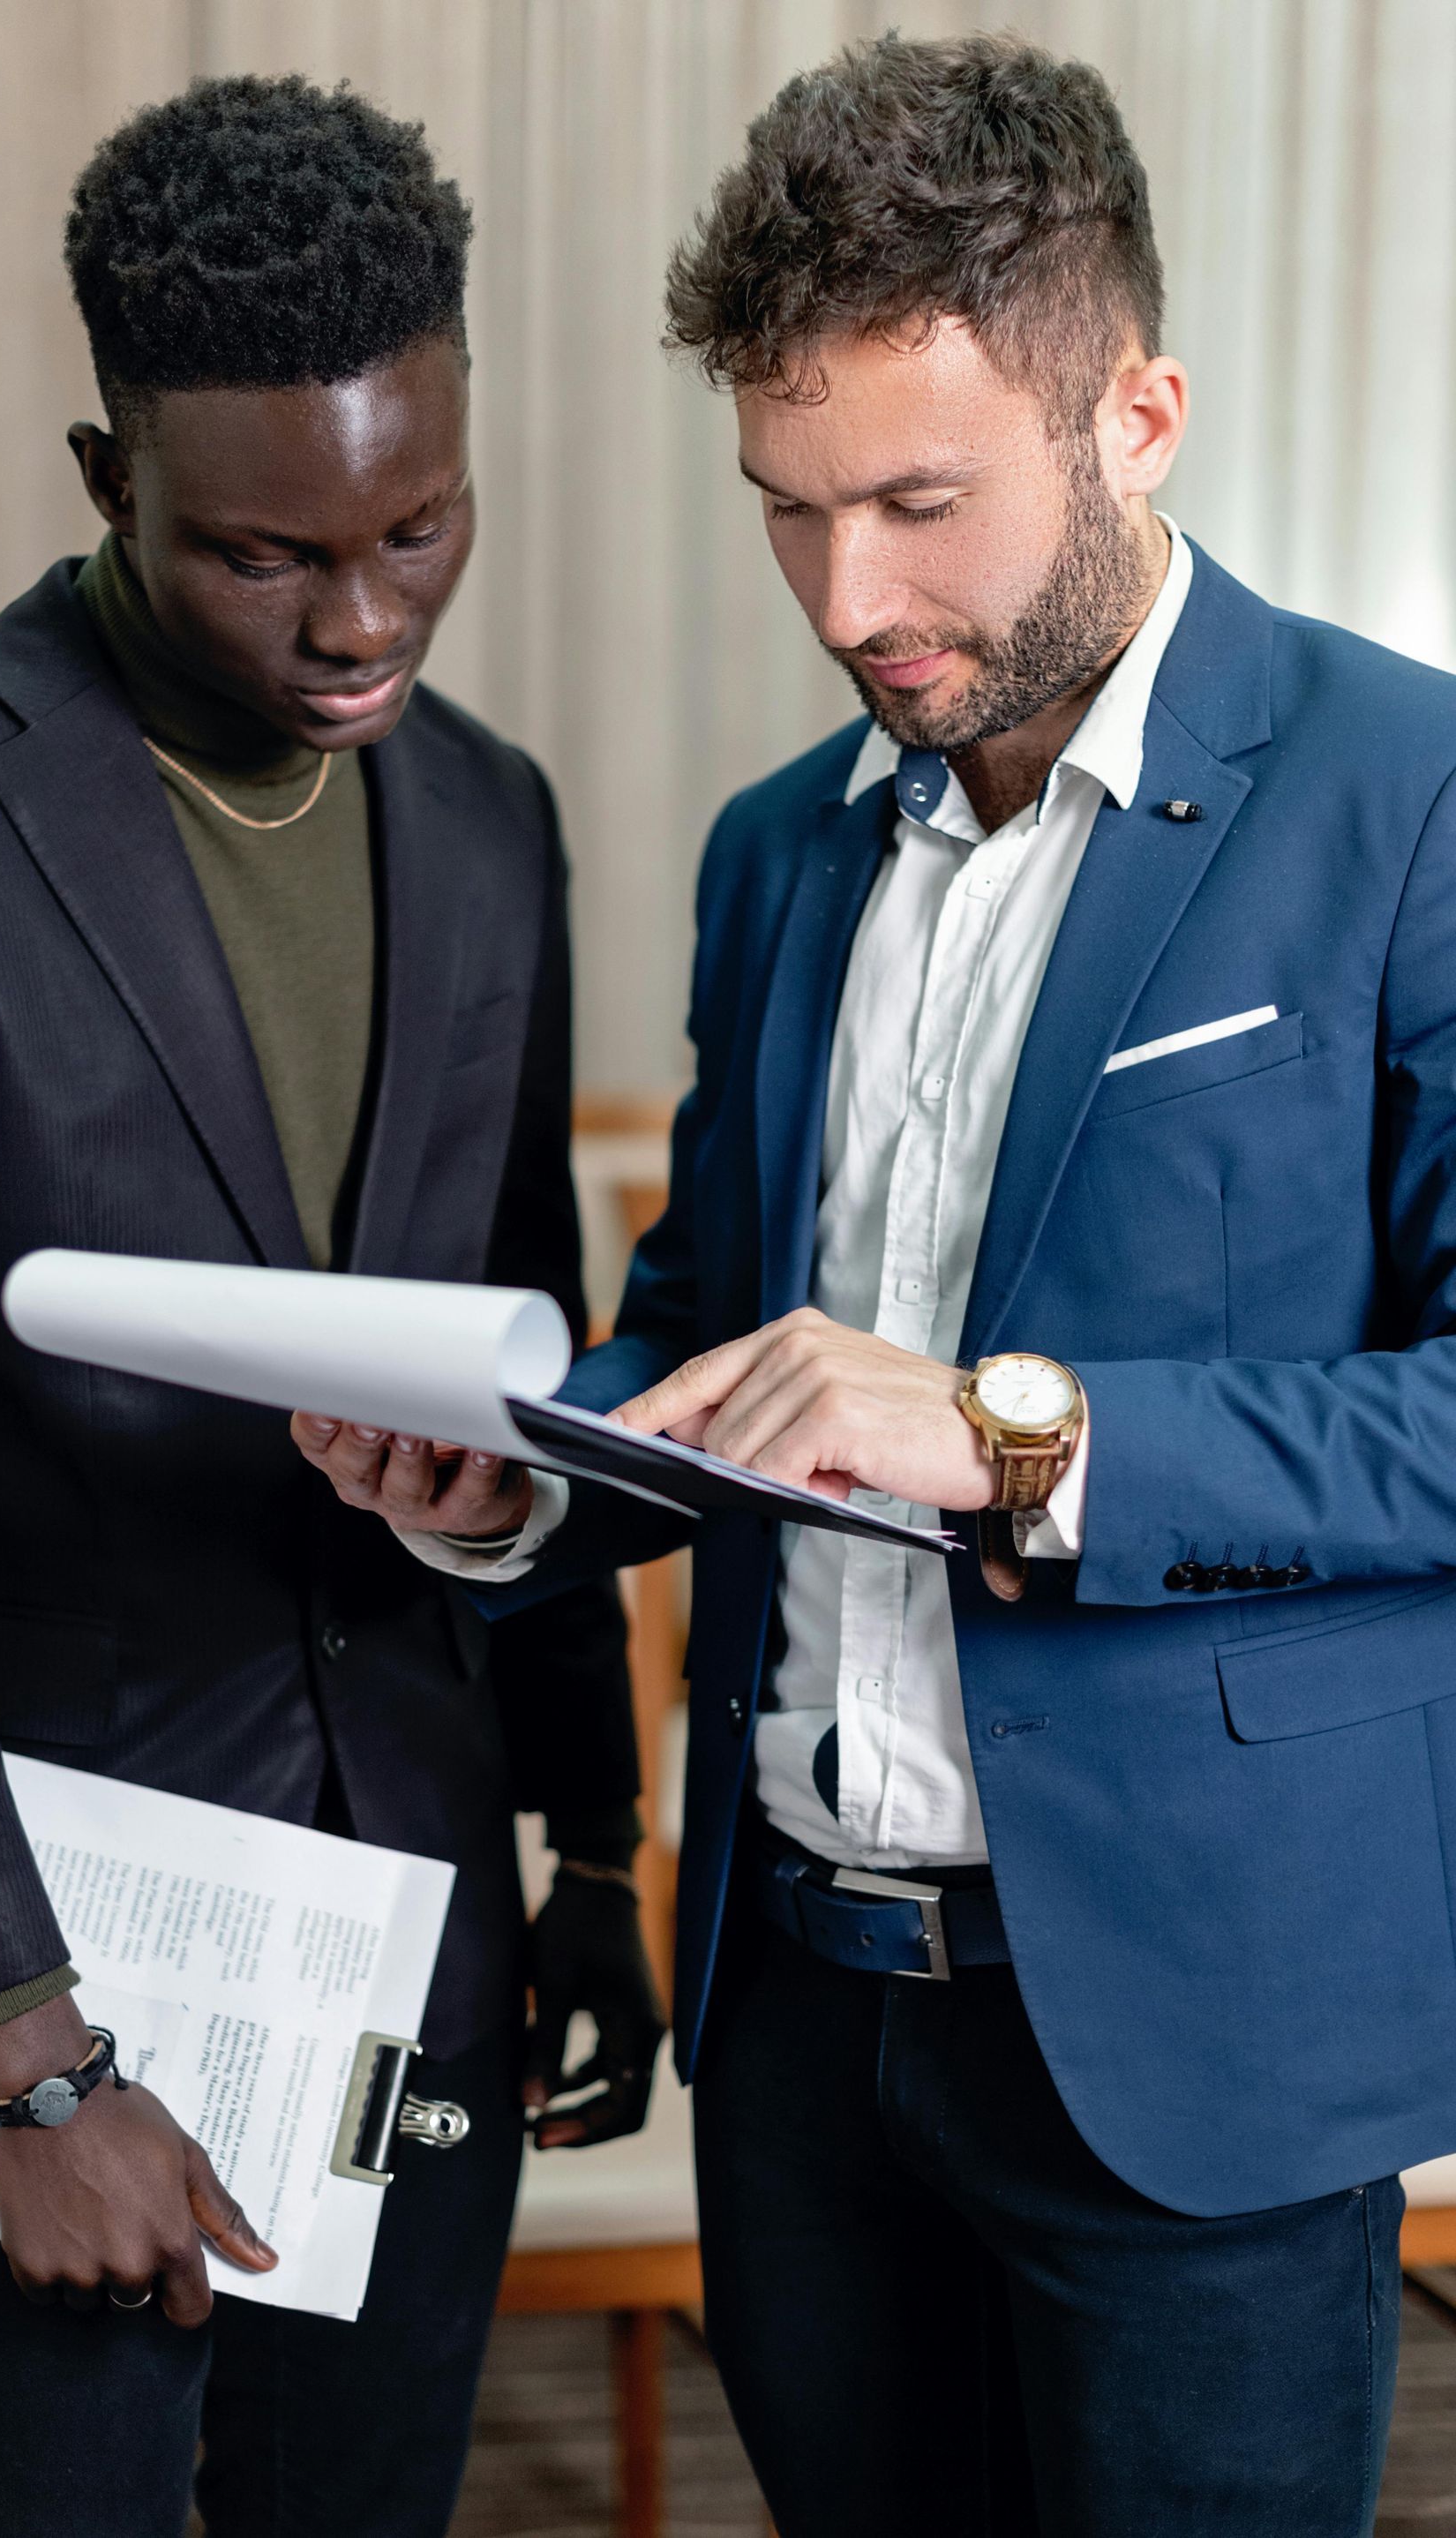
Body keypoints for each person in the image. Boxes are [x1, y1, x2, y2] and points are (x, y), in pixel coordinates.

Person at [296, 30, 1456, 2534]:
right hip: (807, 2030)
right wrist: (515, 1487)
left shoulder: (1413, 790)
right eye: (788, 512)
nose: (850, 604)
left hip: (1198, 2024)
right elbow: (718, 1323)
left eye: (921, 506)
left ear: (1138, 418)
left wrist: (1010, 1431)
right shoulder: (775, 852)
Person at [0, 72, 663, 2538]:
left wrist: (592, 1840)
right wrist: (30, 2056)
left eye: (419, 527)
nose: (362, 621)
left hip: (426, 1909)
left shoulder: (490, 813)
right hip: (65, 1958)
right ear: (110, 477)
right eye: (270, 555)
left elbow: (526, 1350)